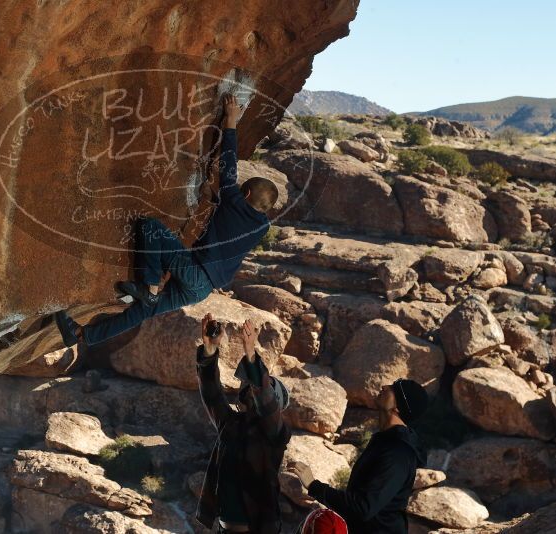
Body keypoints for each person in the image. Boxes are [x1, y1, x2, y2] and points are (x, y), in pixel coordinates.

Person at [53, 93, 280, 347]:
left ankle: (149, 288)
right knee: (143, 311)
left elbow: (229, 163)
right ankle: (83, 336)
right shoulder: (261, 227)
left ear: (245, 193)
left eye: (240, 190)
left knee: (150, 228)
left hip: (195, 273)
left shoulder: (235, 201)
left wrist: (230, 120)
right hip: (201, 290)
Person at [288, 379, 429, 534]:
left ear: (398, 407)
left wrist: (314, 486)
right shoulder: (386, 441)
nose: (384, 386)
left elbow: (364, 507)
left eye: (393, 388)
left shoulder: (398, 452)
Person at [195, 313, 291, 534]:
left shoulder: (275, 433)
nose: (245, 389)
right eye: (247, 386)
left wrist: (251, 354)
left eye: (251, 386)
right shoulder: (231, 424)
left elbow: (266, 403)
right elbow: (211, 394)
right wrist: (209, 350)